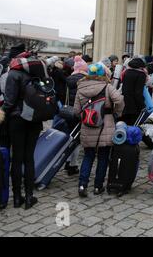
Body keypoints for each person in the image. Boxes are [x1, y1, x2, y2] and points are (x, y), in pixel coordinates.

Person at [2, 51, 46, 209]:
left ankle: (16, 198)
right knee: (29, 158)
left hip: (17, 120)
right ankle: (29, 196)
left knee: (17, 158)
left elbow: (9, 101)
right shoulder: (37, 73)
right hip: (34, 120)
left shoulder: (13, 74)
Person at [74, 63, 124, 197]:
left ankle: (82, 185)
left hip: (87, 125)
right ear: (103, 74)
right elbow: (119, 100)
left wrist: (87, 117)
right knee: (103, 157)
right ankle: (97, 186)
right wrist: (116, 113)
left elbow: (76, 111)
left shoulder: (81, 88)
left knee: (88, 156)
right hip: (105, 125)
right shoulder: (107, 87)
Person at [63, 56, 89, 176]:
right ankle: (73, 165)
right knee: (77, 139)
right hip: (80, 112)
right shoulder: (85, 80)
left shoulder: (69, 79)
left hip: (69, 112)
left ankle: (67, 161)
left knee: (70, 136)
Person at [121, 56, 147, 125]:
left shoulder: (126, 72)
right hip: (135, 107)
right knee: (134, 127)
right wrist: (142, 105)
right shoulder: (141, 74)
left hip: (125, 104)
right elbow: (138, 93)